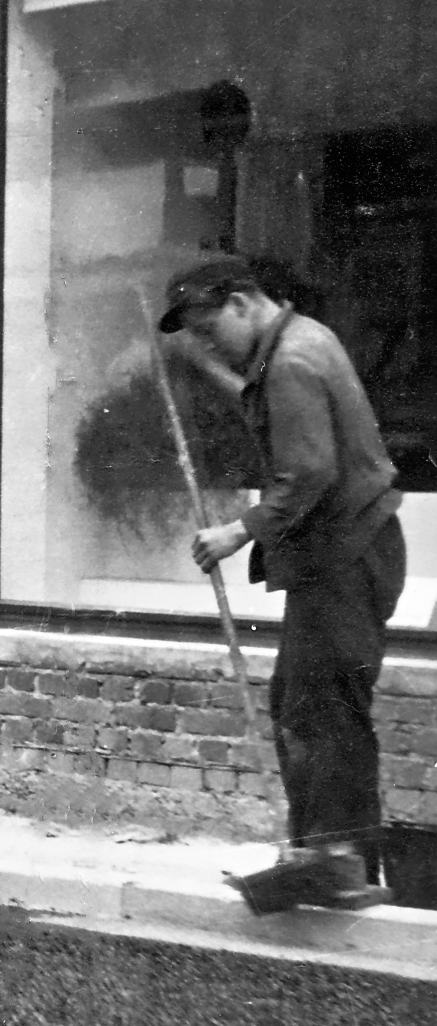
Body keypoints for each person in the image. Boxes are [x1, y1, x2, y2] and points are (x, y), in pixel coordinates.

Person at [157, 256, 403, 906]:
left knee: (322, 710)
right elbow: (275, 408)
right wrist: (205, 369)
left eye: (210, 331)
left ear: (241, 303)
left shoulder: (291, 361)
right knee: (307, 704)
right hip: (349, 555)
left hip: (346, 558)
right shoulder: (301, 341)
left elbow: (308, 473)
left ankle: (338, 862)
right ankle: (333, 860)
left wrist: (236, 532)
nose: (211, 345)